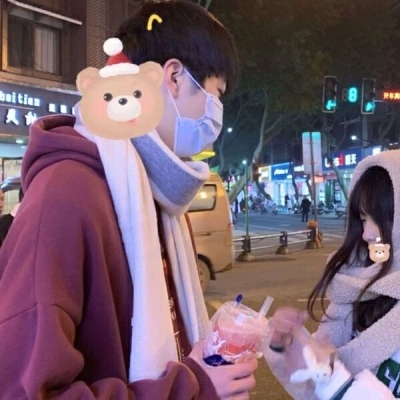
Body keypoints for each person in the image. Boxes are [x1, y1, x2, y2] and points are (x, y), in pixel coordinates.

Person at [0, 1, 258, 399]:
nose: (216, 112)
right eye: (216, 93)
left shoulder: (157, 197)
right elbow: (23, 390)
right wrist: (191, 388)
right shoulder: (67, 193)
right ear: (174, 76)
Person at [265, 150, 400, 399]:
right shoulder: (357, 286)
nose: (367, 234)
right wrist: (287, 342)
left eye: (381, 220)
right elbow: (314, 378)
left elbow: (329, 376)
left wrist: (334, 381)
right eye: (363, 219)